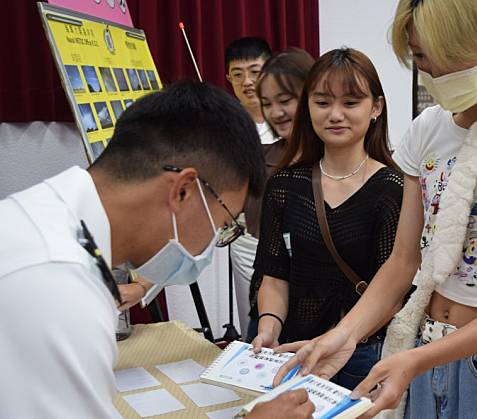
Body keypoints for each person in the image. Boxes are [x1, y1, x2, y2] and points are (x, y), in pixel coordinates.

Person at [274, 1, 477, 418]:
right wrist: (346, 334)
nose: (437, 72)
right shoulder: (428, 129)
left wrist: (416, 361)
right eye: (424, 56)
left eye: (451, 56)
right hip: (424, 348)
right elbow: (404, 259)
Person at [0, 80, 312, 419]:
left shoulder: (48, 218)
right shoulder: (58, 285)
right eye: (221, 224)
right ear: (182, 191)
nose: (210, 245)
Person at [252, 47, 404, 390]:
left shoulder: (392, 189)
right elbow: (274, 276)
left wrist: (342, 336)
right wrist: (268, 328)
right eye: (322, 102)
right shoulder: (285, 184)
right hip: (295, 353)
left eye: (350, 103)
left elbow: (393, 290)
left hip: (362, 355)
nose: (335, 114)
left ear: (376, 107)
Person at [245, 47, 316, 341]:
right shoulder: (261, 158)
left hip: (322, 313)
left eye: (285, 100)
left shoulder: (339, 163)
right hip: (269, 304)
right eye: (266, 103)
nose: (276, 113)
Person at [224, 37, 278, 338]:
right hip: (246, 238)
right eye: (238, 74)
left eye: (255, 71)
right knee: (253, 319)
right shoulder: (227, 127)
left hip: (289, 236)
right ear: (228, 78)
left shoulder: (287, 122)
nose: (247, 81)